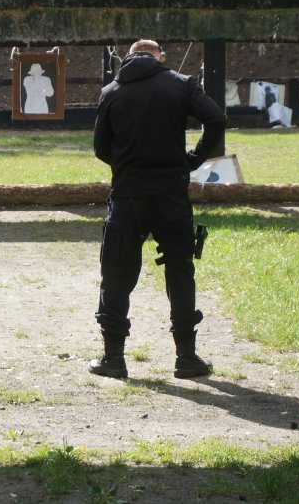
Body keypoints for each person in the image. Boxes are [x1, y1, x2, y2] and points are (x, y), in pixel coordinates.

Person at [91, 39, 226, 379]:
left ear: (129, 57)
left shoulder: (111, 91)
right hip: (170, 195)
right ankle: (186, 357)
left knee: (117, 276)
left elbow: (100, 148)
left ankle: (113, 359)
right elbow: (216, 120)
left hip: (128, 195)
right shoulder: (181, 85)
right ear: (158, 57)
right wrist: (190, 160)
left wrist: (125, 164)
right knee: (180, 271)